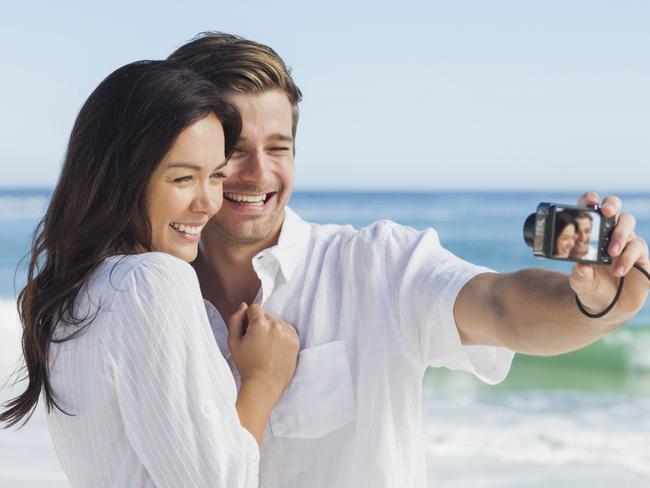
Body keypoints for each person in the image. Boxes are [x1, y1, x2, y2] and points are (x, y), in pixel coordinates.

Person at [168, 33, 650, 488]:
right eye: (234, 151)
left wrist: (594, 304)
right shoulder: (141, 293)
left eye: (279, 148)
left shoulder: (377, 264)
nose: (259, 173)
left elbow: (501, 307)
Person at [0, 60, 300, 487]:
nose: (208, 203)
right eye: (182, 178)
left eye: (215, 176)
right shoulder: (152, 281)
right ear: (121, 180)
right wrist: (263, 381)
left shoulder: (69, 294)